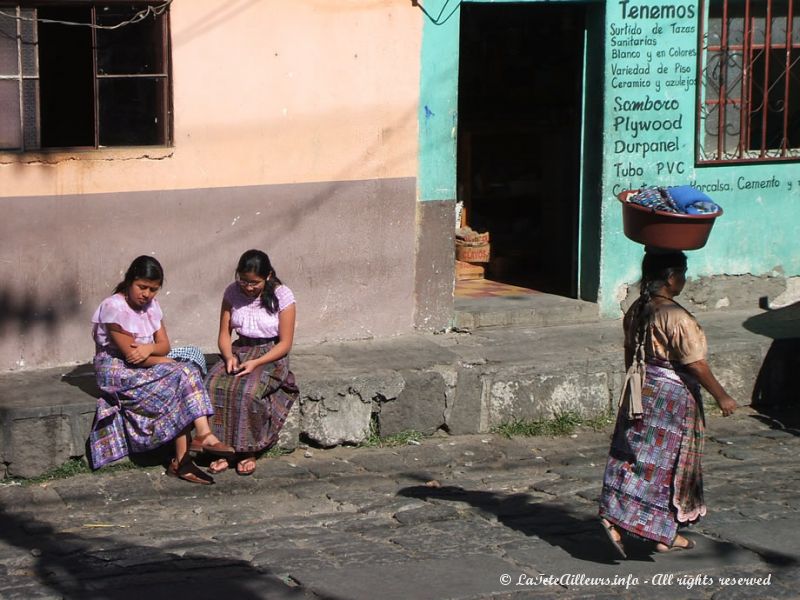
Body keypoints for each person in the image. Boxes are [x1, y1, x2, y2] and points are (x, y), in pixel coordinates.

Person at [599, 249, 737, 557]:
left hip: (641, 387)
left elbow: (629, 352)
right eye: (683, 274)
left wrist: (635, 385)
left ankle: (660, 531)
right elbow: (696, 364)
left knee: (632, 453)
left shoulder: (637, 309)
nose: (684, 280)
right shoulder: (676, 317)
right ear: (672, 278)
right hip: (673, 398)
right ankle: (633, 523)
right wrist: (722, 395)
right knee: (668, 464)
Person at [88, 255, 235, 485]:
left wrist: (150, 349)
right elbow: (131, 356)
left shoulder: (152, 307)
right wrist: (166, 361)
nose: (146, 294)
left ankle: (187, 455)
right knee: (184, 373)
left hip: (147, 359)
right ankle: (195, 445)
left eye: (153, 289)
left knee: (184, 374)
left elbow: (164, 345)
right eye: (142, 287)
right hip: (118, 368)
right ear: (129, 281)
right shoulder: (113, 307)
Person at [205, 249, 299, 476]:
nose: (248, 287)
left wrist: (257, 363)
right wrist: (228, 356)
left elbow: (285, 343)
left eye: (254, 283)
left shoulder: (282, 295)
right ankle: (223, 449)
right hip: (240, 349)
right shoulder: (231, 292)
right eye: (244, 280)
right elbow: (224, 334)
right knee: (211, 385)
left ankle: (247, 450)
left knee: (247, 390)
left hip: (270, 353)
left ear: (267, 276)